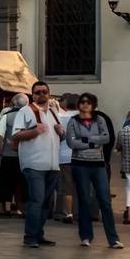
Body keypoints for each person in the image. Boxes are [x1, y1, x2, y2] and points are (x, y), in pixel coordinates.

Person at [65, 92, 123, 249]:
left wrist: (84, 140)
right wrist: (92, 142)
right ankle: (85, 236)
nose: (85, 104)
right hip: (80, 164)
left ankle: (113, 238)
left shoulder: (100, 120)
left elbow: (106, 138)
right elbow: (71, 142)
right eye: (82, 102)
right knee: (84, 199)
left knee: (105, 200)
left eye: (88, 102)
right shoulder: (73, 121)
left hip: (98, 164)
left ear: (93, 105)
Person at [12, 80, 63, 248]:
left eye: (44, 92)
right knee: (37, 200)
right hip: (33, 164)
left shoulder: (54, 112)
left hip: (53, 165)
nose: (41, 95)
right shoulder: (26, 111)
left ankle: (39, 234)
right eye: (37, 92)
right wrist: (35, 131)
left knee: (45, 202)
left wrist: (61, 133)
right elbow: (16, 136)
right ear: (32, 95)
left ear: (49, 94)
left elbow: (58, 137)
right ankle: (30, 237)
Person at [0, 94, 27, 218]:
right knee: (21, 184)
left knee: (6, 182)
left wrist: (0, 151)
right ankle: (20, 209)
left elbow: (0, 136)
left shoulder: (6, 117)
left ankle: (6, 209)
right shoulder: (28, 117)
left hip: (8, 155)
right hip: (23, 156)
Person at [55, 93, 79, 225]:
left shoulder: (60, 117)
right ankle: (81, 211)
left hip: (64, 156)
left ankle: (68, 213)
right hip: (82, 156)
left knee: (67, 186)